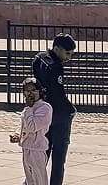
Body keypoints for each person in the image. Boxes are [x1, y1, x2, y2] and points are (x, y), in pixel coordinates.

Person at [32, 33, 76, 185]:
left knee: (41, 154)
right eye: (67, 53)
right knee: (58, 157)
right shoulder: (55, 66)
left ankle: (34, 181)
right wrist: (71, 109)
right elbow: (58, 93)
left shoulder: (39, 58)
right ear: (57, 49)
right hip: (58, 115)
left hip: (42, 111)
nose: (69, 57)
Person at [10, 78, 53, 185]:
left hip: (37, 149)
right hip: (26, 147)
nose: (31, 94)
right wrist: (17, 135)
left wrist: (29, 108)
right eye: (28, 91)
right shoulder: (28, 109)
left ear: (39, 91)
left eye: (34, 90)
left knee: (39, 179)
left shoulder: (45, 108)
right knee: (30, 179)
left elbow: (32, 127)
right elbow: (23, 125)